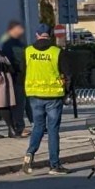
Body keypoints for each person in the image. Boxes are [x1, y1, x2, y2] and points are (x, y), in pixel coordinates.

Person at [23, 24, 72, 175]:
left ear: (37, 35)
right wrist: (67, 93)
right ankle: (54, 165)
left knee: (38, 127)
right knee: (52, 130)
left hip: (34, 95)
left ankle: (30, 154)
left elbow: (22, 72)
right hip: (54, 97)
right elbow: (68, 75)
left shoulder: (28, 51)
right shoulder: (57, 52)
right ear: (50, 35)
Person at [0, 19, 30, 136]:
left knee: (23, 104)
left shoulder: (20, 44)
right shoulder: (8, 45)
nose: (21, 31)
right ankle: (18, 127)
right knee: (18, 104)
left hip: (23, 77)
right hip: (15, 78)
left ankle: (21, 126)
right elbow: (8, 62)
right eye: (19, 29)